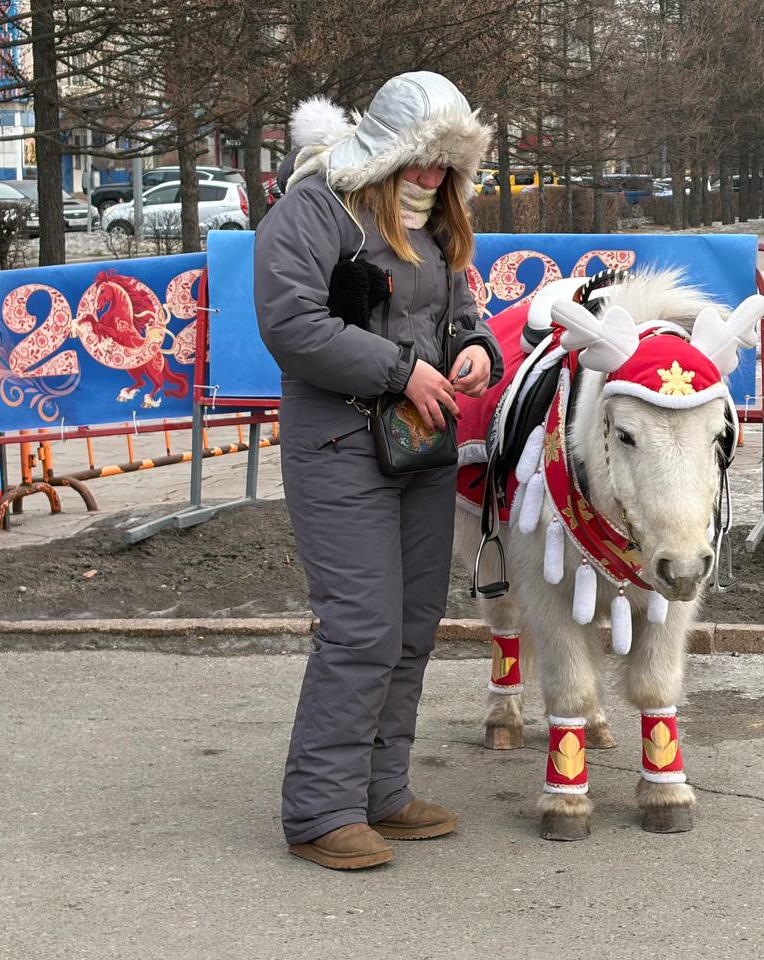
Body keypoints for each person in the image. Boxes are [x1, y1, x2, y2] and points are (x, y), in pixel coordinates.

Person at [254, 72, 502, 871]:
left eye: (447, 164)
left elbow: (462, 312)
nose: (432, 177)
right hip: (339, 443)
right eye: (421, 159)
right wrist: (403, 370)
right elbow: (291, 323)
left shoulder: (436, 223)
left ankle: (381, 792)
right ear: (387, 147)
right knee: (361, 626)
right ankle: (320, 810)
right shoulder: (316, 206)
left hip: (420, 445)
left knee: (412, 623)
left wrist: (471, 350)